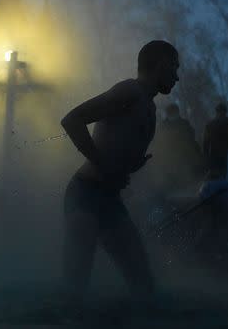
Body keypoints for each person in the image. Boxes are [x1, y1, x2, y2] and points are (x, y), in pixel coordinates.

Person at [60, 40, 179, 306]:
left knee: (144, 286)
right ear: (160, 64)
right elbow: (72, 119)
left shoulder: (149, 106)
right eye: (174, 67)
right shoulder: (130, 91)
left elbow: (116, 146)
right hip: (85, 194)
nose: (177, 76)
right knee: (75, 288)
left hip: (110, 202)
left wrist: (129, 167)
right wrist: (103, 164)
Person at [203, 103, 228, 179]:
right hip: (222, 156)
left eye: (222, 112)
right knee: (223, 177)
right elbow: (206, 143)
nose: (221, 114)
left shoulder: (210, 125)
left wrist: (206, 157)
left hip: (221, 156)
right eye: (220, 112)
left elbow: (206, 143)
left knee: (219, 177)